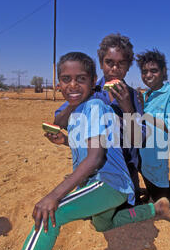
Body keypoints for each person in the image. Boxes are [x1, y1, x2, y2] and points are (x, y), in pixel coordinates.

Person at [0, 51, 170, 250]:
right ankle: (155, 209)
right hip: (111, 185)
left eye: (80, 79)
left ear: (94, 81)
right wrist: (65, 142)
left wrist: (53, 195)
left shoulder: (95, 107)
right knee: (103, 224)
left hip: (107, 182)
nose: (72, 85)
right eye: (66, 79)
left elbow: (96, 158)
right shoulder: (81, 110)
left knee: (50, 214)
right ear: (58, 83)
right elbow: (95, 146)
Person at [51, 33, 146, 204]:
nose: (115, 69)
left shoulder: (133, 96)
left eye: (121, 63)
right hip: (92, 169)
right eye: (109, 62)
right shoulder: (89, 90)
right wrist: (74, 103)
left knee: (120, 210)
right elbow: (59, 123)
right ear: (102, 63)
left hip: (124, 169)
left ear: (128, 66)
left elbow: (138, 140)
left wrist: (127, 108)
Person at [136, 48, 170, 203]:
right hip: (141, 154)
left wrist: (144, 114)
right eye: (144, 71)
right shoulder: (144, 95)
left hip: (157, 155)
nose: (148, 75)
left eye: (154, 70)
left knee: (163, 199)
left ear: (163, 72)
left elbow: (169, 126)